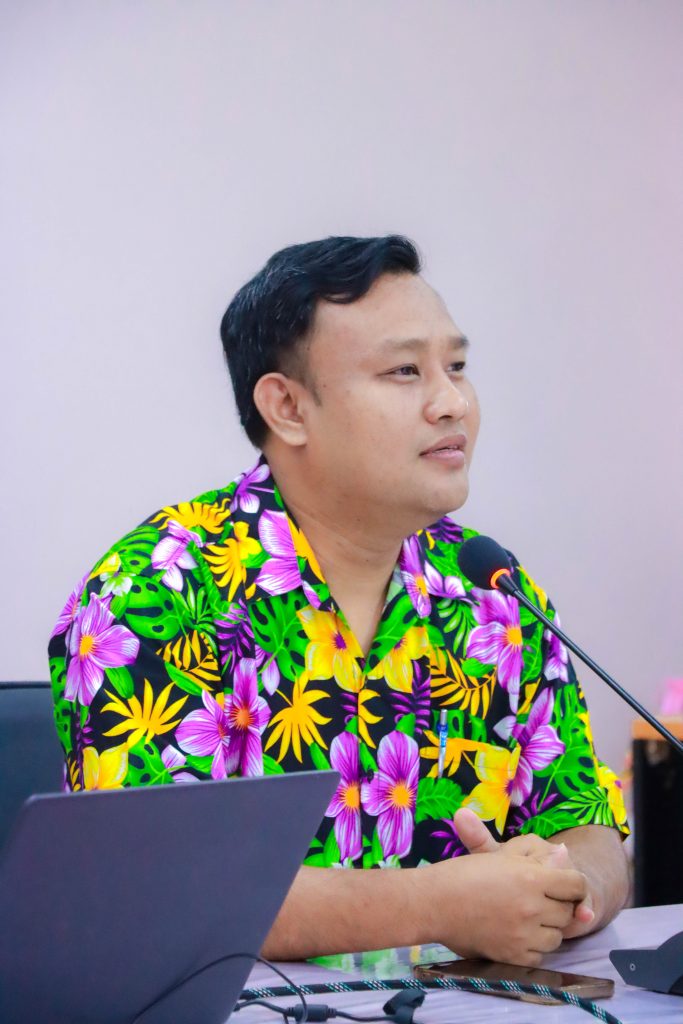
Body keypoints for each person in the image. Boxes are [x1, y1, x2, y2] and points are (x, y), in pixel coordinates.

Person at [48, 235, 629, 966]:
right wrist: (442, 903)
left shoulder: (490, 592)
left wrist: (567, 890)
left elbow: (587, 824)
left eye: (455, 367)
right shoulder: (157, 592)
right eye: (404, 371)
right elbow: (158, 890)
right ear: (287, 407)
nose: (452, 403)